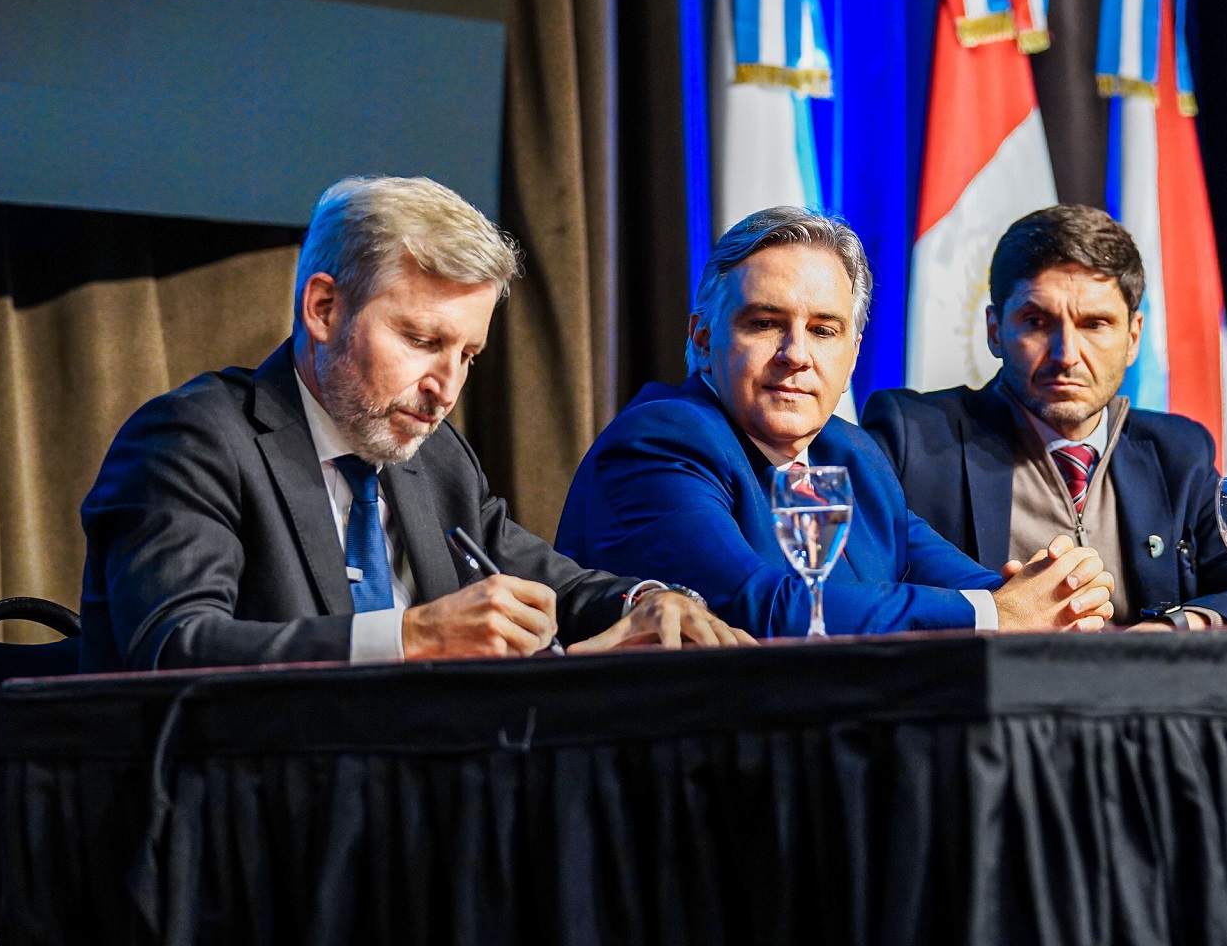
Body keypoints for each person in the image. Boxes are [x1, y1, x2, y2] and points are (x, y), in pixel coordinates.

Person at [79, 176, 747, 671]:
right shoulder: (193, 441)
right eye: (424, 341)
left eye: (468, 356)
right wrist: (414, 637)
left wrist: (646, 600)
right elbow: (174, 647)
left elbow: (552, 586)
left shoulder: (435, 456)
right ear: (323, 308)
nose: (446, 389)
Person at [556, 207, 1118, 638]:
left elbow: (968, 584)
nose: (796, 355)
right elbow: (760, 608)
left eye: (823, 331)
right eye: (765, 323)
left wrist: (1054, 594)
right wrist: (999, 613)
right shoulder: (660, 443)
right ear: (704, 340)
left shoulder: (849, 452)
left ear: (851, 360)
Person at [863, 206, 1227, 629]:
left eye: (1095, 324)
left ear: (1133, 337)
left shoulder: (1175, 453)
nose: (1066, 354)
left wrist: (1175, 631)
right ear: (994, 330)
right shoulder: (913, 436)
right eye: (1037, 322)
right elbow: (858, 593)